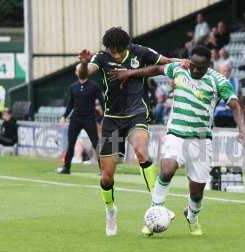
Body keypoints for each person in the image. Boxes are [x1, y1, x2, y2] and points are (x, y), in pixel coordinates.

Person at [110, 46, 245, 236]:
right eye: (192, 65)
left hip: (201, 141)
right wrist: (130, 73)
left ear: (209, 65)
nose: (194, 70)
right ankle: (154, 215)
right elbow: (157, 69)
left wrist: (242, 130)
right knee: (167, 169)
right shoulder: (180, 68)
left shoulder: (219, 81)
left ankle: (192, 217)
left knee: (196, 191)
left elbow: (235, 106)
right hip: (176, 133)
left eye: (199, 67)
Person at [76, 27, 184, 236]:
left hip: (137, 113)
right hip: (112, 120)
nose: (115, 55)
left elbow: (165, 61)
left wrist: (184, 62)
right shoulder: (101, 58)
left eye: (119, 51)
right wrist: (82, 62)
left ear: (126, 47)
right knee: (106, 178)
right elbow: (83, 75)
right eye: (112, 51)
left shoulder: (140, 52)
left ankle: (157, 204)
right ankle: (110, 211)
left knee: (142, 152)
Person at [56, 74, 104, 174]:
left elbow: (102, 100)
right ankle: (66, 167)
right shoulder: (73, 87)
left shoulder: (94, 86)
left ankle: (103, 169)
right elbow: (70, 104)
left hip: (89, 119)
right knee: (71, 144)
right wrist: (64, 116)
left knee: (96, 143)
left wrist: (104, 115)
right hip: (75, 119)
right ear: (76, 73)